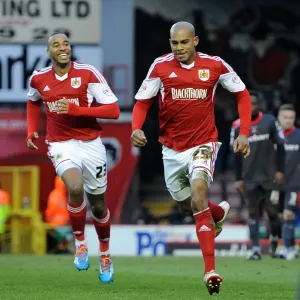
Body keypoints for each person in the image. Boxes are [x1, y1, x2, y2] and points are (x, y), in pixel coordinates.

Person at [131, 21, 252, 295]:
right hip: (172, 148)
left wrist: (244, 132)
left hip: (203, 143)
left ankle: (210, 270)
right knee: (188, 207)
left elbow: (242, 94)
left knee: (198, 193)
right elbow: (142, 102)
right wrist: (135, 128)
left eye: (184, 42)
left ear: (195, 41)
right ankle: (217, 213)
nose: (179, 48)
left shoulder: (215, 65)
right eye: (174, 43)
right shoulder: (160, 66)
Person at [26, 33, 120, 283]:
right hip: (61, 144)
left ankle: (105, 255)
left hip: (91, 144)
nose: (62, 47)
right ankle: (80, 245)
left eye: (66, 43)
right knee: (75, 186)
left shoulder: (88, 73)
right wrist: (31, 130)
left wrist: (79, 110)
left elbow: (113, 109)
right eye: (56, 45)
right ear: (50, 52)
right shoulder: (38, 78)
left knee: (98, 206)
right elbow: (33, 101)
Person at [231, 90, 285, 260]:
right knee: (253, 214)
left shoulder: (270, 121)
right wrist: (238, 178)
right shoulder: (237, 126)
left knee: (272, 212)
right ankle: (255, 249)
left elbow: (281, 146)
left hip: (269, 176)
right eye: (247, 103)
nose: (250, 106)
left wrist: (280, 170)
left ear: (259, 105)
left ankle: (275, 244)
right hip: (249, 178)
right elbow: (235, 154)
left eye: (253, 103)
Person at [277, 104, 300, 260]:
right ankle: (288, 245)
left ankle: (288, 248)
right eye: (285, 117)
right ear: (279, 118)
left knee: (288, 213)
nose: (288, 120)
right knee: (280, 215)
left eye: (291, 118)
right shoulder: (273, 136)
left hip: (294, 182)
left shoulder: (299, 135)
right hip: (275, 184)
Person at [45, 176, 72, 253]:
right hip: (56, 224)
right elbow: (51, 210)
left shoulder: (63, 195)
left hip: (63, 224)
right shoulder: (55, 195)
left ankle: (63, 249)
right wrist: (49, 220)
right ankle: (60, 249)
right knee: (64, 235)